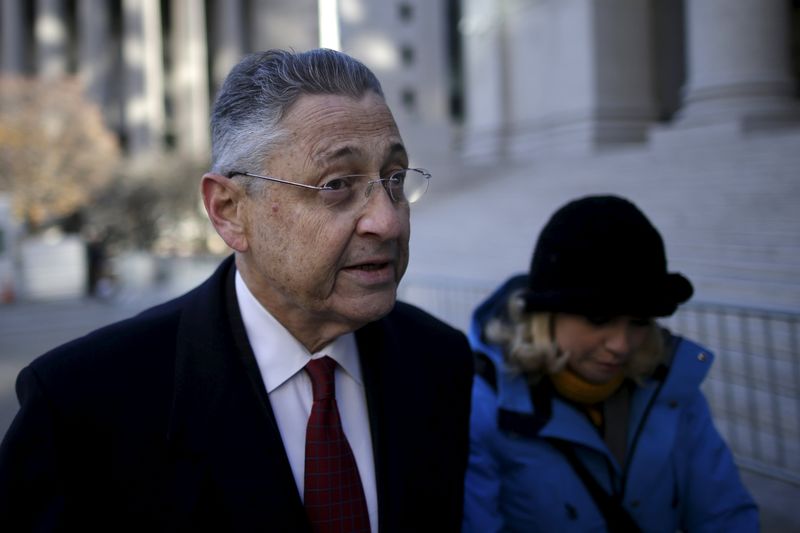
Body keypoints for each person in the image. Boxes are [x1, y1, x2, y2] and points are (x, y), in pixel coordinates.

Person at [0, 49, 474, 532]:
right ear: (228, 210)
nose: (388, 220)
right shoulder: (81, 404)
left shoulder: (438, 361)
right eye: (336, 184)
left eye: (394, 179)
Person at [463, 195, 758, 532]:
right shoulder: (481, 407)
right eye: (598, 318)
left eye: (638, 321)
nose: (621, 345)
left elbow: (725, 514)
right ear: (546, 318)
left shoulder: (673, 393)